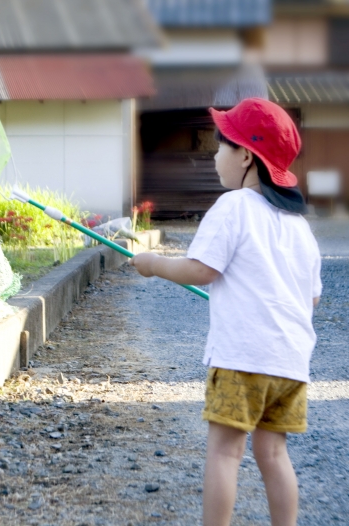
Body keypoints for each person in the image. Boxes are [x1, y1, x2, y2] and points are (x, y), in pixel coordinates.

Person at [130, 98, 322, 526]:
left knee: (225, 451)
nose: (215, 157)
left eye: (221, 147)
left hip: (242, 360)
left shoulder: (233, 207)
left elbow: (201, 269)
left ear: (247, 156)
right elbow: (308, 300)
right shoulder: (299, 227)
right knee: (274, 454)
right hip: (291, 365)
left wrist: (153, 265)